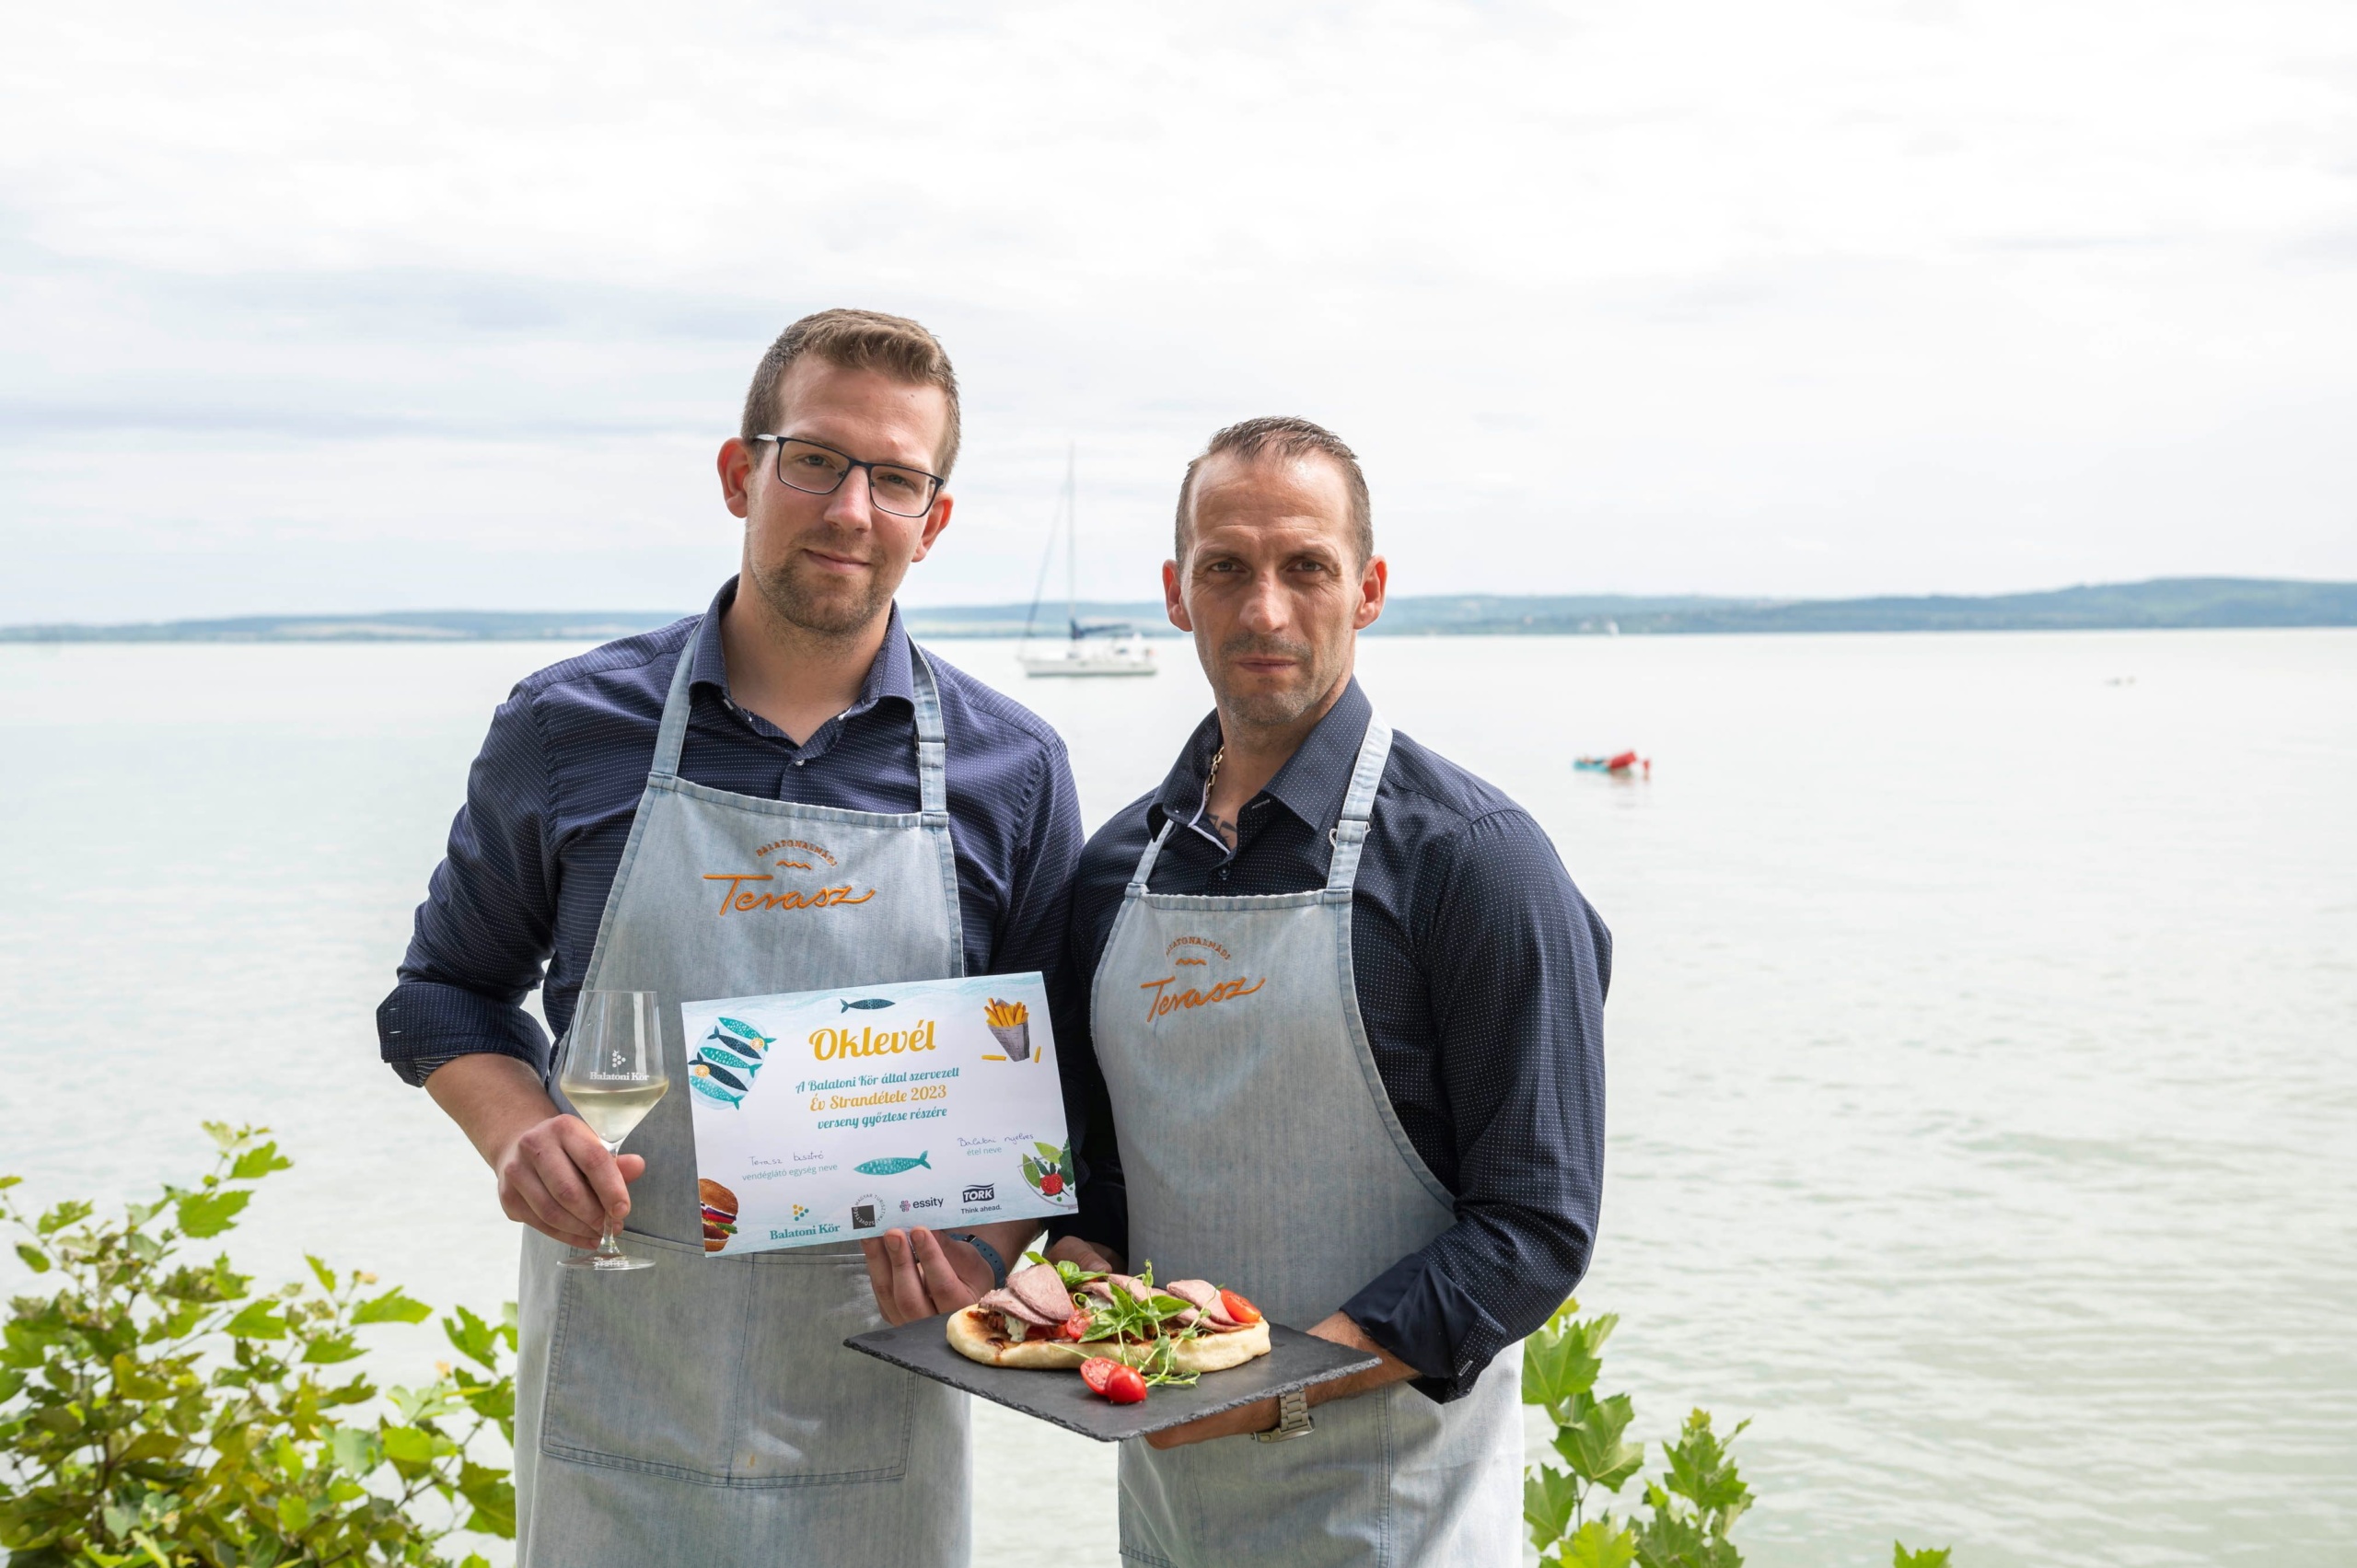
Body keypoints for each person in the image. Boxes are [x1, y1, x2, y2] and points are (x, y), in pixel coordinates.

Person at [376, 308, 1082, 1568]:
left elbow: (1058, 1083)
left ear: (936, 517)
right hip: (618, 1380)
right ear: (738, 472)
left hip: (878, 1401)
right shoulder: (566, 725)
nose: (851, 508)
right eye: (813, 458)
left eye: (897, 478)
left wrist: (983, 1255)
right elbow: (444, 993)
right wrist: (519, 1129)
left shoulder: (1012, 771)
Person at [1051, 416, 1611, 1566]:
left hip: (1402, 1519)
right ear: (1175, 591)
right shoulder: (1113, 872)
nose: (1264, 610)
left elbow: (1535, 1226)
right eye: (1226, 568)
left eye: (1305, 566)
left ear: (1368, 589)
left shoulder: (1477, 862)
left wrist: (1280, 1386)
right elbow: (1106, 1181)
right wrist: (1070, 1271)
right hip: (1165, 1518)